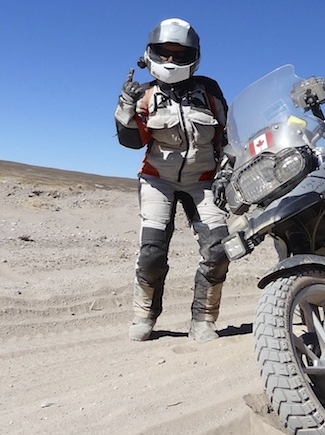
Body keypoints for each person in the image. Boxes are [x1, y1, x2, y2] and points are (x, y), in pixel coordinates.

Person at [114, 18, 230, 343]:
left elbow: (227, 134)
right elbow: (131, 141)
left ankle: (204, 320)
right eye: (163, 53)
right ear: (150, 53)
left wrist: (228, 170)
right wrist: (125, 108)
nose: (170, 60)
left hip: (203, 181)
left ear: (194, 57)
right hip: (157, 180)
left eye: (179, 54)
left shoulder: (209, 91)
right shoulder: (144, 94)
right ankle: (144, 316)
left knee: (219, 250)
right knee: (151, 253)